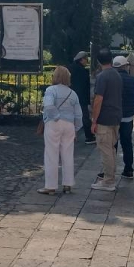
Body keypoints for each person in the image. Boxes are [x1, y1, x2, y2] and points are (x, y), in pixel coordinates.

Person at [38, 66, 83, 195]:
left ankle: (50, 186)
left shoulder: (51, 90)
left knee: (51, 154)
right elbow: (78, 114)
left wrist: (56, 116)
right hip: (69, 125)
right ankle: (68, 184)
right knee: (68, 154)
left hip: (54, 123)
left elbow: (48, 106)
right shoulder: (72, 93)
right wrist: (76, 128)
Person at [91, 49, 123, 191]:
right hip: (116, 116)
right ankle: (110, 177)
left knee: (105, 150)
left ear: (98, 61)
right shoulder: (117, 75)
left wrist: (94, 120)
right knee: (111, 149)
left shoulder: (102, 77)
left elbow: (98, 99)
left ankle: (108, 180)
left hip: (104, 117)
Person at [114, 56, 134, 179]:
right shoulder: (133, 80)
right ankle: (128, 169)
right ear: (125, 66)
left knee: (112, 144)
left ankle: (110, 169)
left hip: (113, 117)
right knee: (127, 144)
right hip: (127, 117)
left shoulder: (111, 79)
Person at [68, 51, 94, 144]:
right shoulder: (83, 71)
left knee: (70, 116)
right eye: (86, 59)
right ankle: (89, 136)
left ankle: (70, 135)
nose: (87, 61)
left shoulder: (70, 68)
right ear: (81, 59)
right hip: (81, 97)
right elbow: (85, 86)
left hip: (70, 96)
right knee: (85, 117)